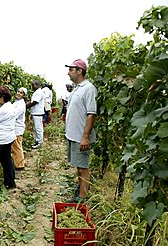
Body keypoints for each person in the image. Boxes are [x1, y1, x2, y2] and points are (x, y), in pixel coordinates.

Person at [64, 59, 97, 202]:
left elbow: (91, 113)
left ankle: (82, 199)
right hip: (73, 135)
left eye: (71, 69)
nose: (68, 72)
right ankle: (80, 190)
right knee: (79, 166)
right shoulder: (77, 88)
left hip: (80, 136)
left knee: (83, 168)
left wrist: (85, 137)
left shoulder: (89, 88)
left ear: (80, 71)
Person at [26, 80, 45, 149]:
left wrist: (25, 106)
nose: (32, 87)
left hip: (38, 113)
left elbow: (34, 102)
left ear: (37, 85)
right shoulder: (37, 92)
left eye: (32, 85)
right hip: (36, 113)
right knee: (36, 128)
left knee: (38, 128)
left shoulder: (39, 92)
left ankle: (39, 142)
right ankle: (37, 141)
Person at [11, 87, 27, 170]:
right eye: (18, 91)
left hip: (17, 128)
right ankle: (17, 163)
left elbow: (14, 115)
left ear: (23, 95)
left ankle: (20, 165)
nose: (18, 93)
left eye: (21, 93)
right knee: (15, 146)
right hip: (15, 127)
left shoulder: (21, 104)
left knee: (17, 147)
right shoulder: (17, 102)